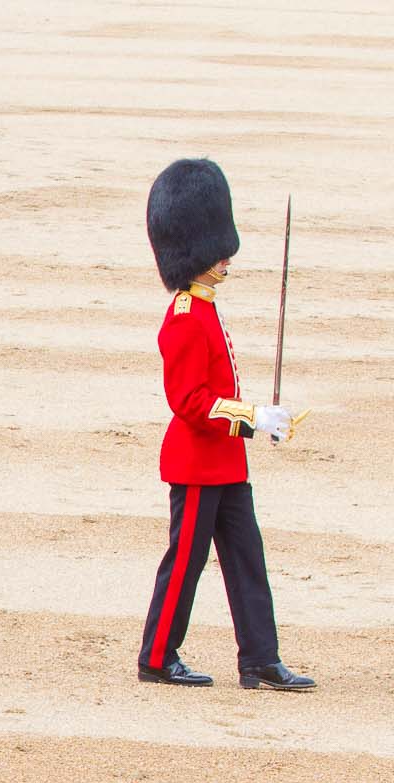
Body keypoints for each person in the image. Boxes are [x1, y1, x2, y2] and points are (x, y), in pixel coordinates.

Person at [137, 158, 311, 691]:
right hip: (195, 464)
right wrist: (250, 417)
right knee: (185, 564)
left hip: (225, 462)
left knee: (245, 560)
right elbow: (190, 401)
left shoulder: (206, 307)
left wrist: (260, 421)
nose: (225, 260)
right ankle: (158, 656)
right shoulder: (187, 315)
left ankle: (259, 657)